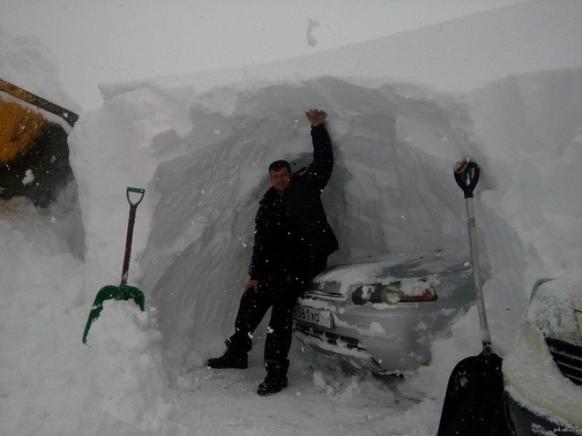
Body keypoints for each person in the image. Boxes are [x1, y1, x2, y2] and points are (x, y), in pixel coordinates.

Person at [208, 108, 338, 396]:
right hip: (278, 265)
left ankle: (276, 372)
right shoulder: (267, 205)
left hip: (307, 261)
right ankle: (238, 352)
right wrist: (255, 274)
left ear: (290, 174)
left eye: (283, 174)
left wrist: (317, 128)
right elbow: (261, 242)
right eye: (275, 176)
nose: (279, 179)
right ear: (270, 179)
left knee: (280, 311)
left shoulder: (306, 186)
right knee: (252, 298)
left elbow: (324, 163)